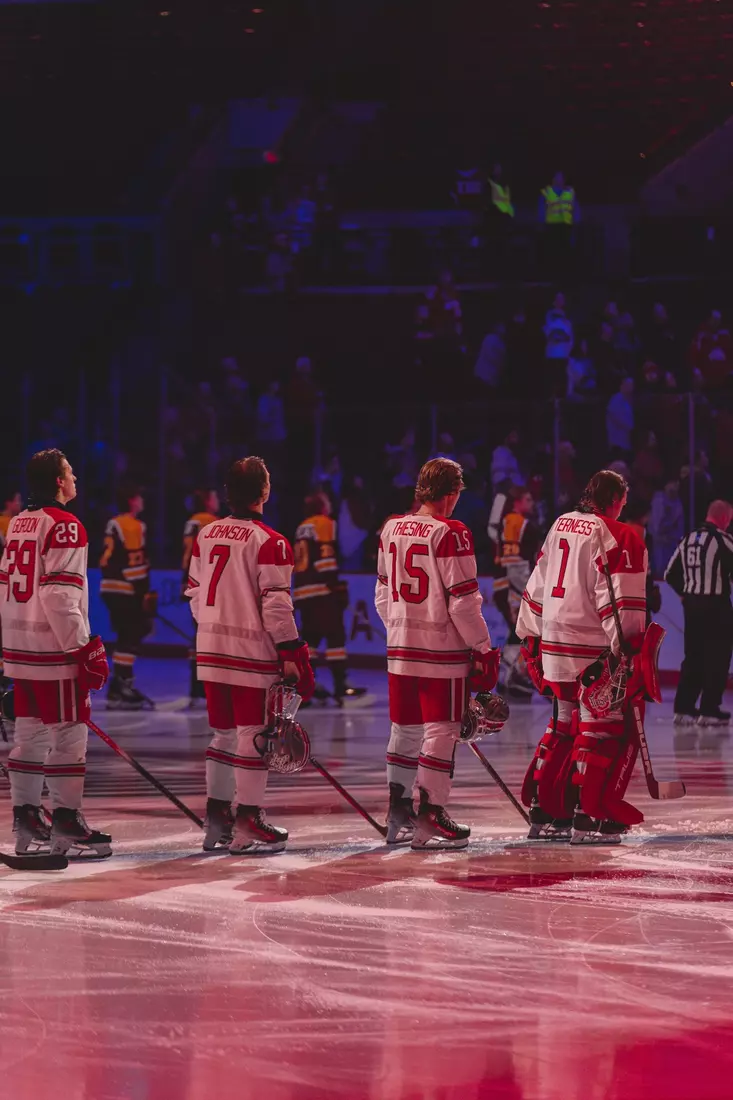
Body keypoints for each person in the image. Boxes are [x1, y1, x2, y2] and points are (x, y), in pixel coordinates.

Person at [186, 455, 314, 854]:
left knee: (222, 735)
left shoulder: (205, 536)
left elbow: (193, 593)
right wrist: (292, 650)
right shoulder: (270, 541)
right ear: (264, 491)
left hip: (210, 650)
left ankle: (217, 820)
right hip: (250, 654)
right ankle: (248, 821)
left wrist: (214, 628)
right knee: (252, 736)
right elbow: (276, 606)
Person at [516, 469, 649, 844]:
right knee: (600, 729)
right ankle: (586, 816)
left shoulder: (561, 523)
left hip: (554, 641)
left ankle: (546, 811)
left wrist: (531, 635)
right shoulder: (619, 534)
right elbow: (620, 602)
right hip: (591, 647)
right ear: (615, 500)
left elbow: (538, 580)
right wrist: (625, 651)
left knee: (562, 723)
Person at [375, 458, 499, 850]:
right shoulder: (452, 532)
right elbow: (463, 603)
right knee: (441, 731)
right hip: (440, 651)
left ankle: (399, 812)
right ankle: (430, 814)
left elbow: (381, 595)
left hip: (400, 647)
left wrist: (401, 628)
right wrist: (481, 646)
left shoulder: (391, 527)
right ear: (451, 493)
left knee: (404, 730)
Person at [0, 449, 111, 857]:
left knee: (29, 733)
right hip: (52, 649)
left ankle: (27, 815)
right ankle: (67, 817)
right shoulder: (66, 525)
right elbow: (59, 594)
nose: (76, 475)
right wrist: (82, 648)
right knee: (68, 733)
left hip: (21, 647)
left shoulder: (19, 522)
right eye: (70, 471)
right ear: (59, 482)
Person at [664, 500, 733, 727]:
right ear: (724, 518)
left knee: (693, 656)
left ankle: (683, 709)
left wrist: (685, 595)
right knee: (718, 656)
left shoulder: (688, 539)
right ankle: (709, 710)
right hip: (716, 606)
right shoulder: (723, 540)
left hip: (692, 607)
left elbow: (669, 574)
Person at [293, 492, 366, 704]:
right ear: (322, 506)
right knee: (335, 639)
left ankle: (307, 690)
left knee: (312, 641)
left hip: (303, 593)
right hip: (321, 591)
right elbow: (325, 557)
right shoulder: (324, 523)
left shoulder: (301, 527)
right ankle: (341, 688)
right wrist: (335, 585)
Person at [100, 487, 154, 709]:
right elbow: (136, 562)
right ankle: (121, 686)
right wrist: (144, 591)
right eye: (139, 497)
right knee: (132, 634)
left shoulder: (113, 523)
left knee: (128, 635)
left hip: (110, 587)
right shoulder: (135, 526)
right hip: (126, 587)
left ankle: (119, 687)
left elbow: (108, 559)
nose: (142, 501)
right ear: (132, 500)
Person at [493, 486, 542, 697]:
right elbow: (518, 566)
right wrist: (523, 596)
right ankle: (511, 675)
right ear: (518, 502)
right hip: (513, 590)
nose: (531, 504)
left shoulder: (502, 523)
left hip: (501, 586)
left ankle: (509, 677)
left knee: (517, 633)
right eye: (528, 499)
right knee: (523, 633)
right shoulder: (523, 525)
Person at [182, 488, 220, 705]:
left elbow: (186, 556)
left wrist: (184, 581)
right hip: (214, 587)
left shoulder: (191, 523)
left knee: (197, 638)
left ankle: (195, 689)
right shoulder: (216, 522)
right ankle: (210, 689)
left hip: (196, 584)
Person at [606, 377, 635, 458]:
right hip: (617, 443)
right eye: (628, 385)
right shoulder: (616, 400)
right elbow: (625, 422)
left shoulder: (628, 401)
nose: (630, 387)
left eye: (631, 385)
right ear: (622, 386)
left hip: (626, 442)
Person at [0, 488, 22, 553]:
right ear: (9, 503)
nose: (21, 503)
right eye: (18, 500)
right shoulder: (1, 522)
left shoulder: (19, 520)